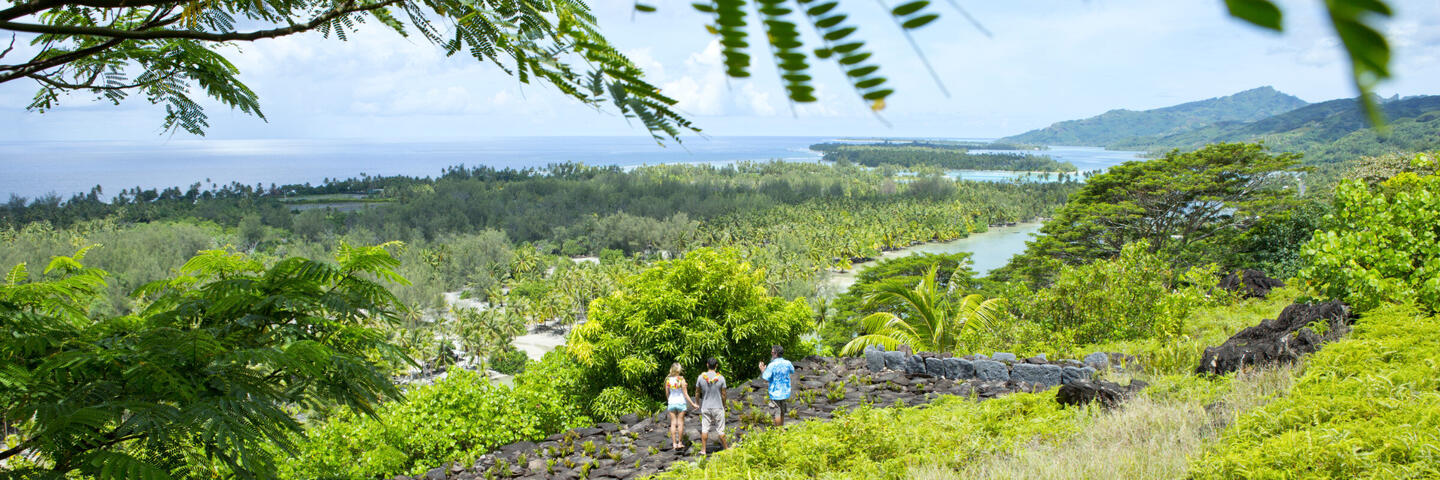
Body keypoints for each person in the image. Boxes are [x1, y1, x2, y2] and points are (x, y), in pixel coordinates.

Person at [693, 357, 728, 455]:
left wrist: (697, 403)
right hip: (718, 406)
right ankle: (726, 449)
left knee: (705, 428)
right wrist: (724, 405)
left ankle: (703, 450)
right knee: (720, 429)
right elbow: (724, 394)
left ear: (707, 365)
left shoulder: (700, 377)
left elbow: (697, 392)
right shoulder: (721, 378)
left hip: (705, 406)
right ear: (716, 366)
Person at [663, 362, 698, 450]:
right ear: (679, 370)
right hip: (681, 402)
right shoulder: (681, 379)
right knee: (680, 423)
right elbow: (685, 394)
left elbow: (667, 393)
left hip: (671, 402)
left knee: (673, 423)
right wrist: (693, 404)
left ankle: (674, 443)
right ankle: (680, 443)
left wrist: (669, 401)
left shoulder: (667, 380)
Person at [758, 344, 794, 426]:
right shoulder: (787, 363)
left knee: (776, 412)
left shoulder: (772, 365)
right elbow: (792, 371)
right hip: (785, 392)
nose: (771, 354)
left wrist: (763, 370)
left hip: (775, 393)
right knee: (782, 411)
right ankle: (781, 428)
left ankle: (778, 431)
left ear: (775, 353)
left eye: (772, 352)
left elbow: (765, 379)